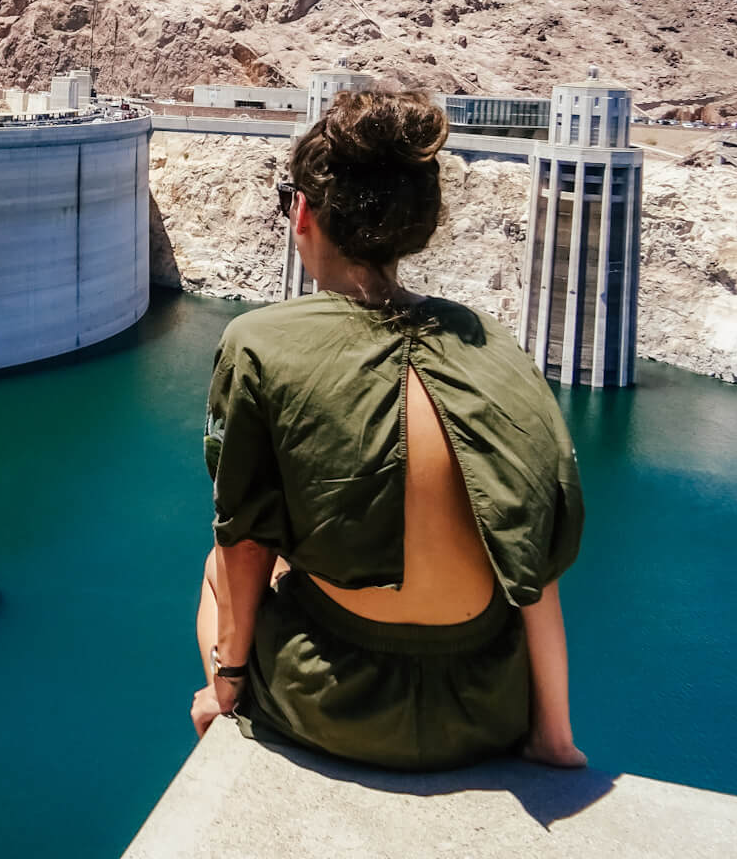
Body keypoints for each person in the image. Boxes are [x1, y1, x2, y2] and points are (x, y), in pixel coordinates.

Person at [191, 90, 587, 771]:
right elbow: (534, 558)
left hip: (333, 707)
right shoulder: (491, 343)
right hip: (485, 705)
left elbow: (246, 540)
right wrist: (553, 736)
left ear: (303, 213)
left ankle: (229, 700)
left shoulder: (259, 342)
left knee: (217, 566)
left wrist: (223, 685)